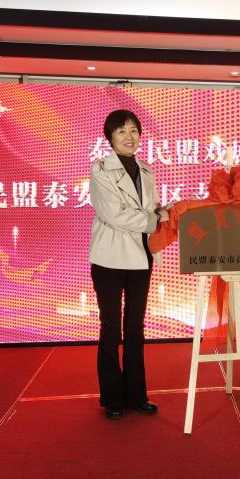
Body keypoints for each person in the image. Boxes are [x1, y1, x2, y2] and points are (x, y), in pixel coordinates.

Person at [89, 109, 168, 420]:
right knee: (111, 327)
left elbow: (153, 208)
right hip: (109, 258)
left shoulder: (146, 169)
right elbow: (114, 215)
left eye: (134, 130)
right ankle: (112, 398)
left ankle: (137, 395)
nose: (129, 136)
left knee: (135, 327)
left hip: (141, 256)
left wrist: (166, 214)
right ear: (110, 137)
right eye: (122, 131)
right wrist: (155, 219)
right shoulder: (100, 169)